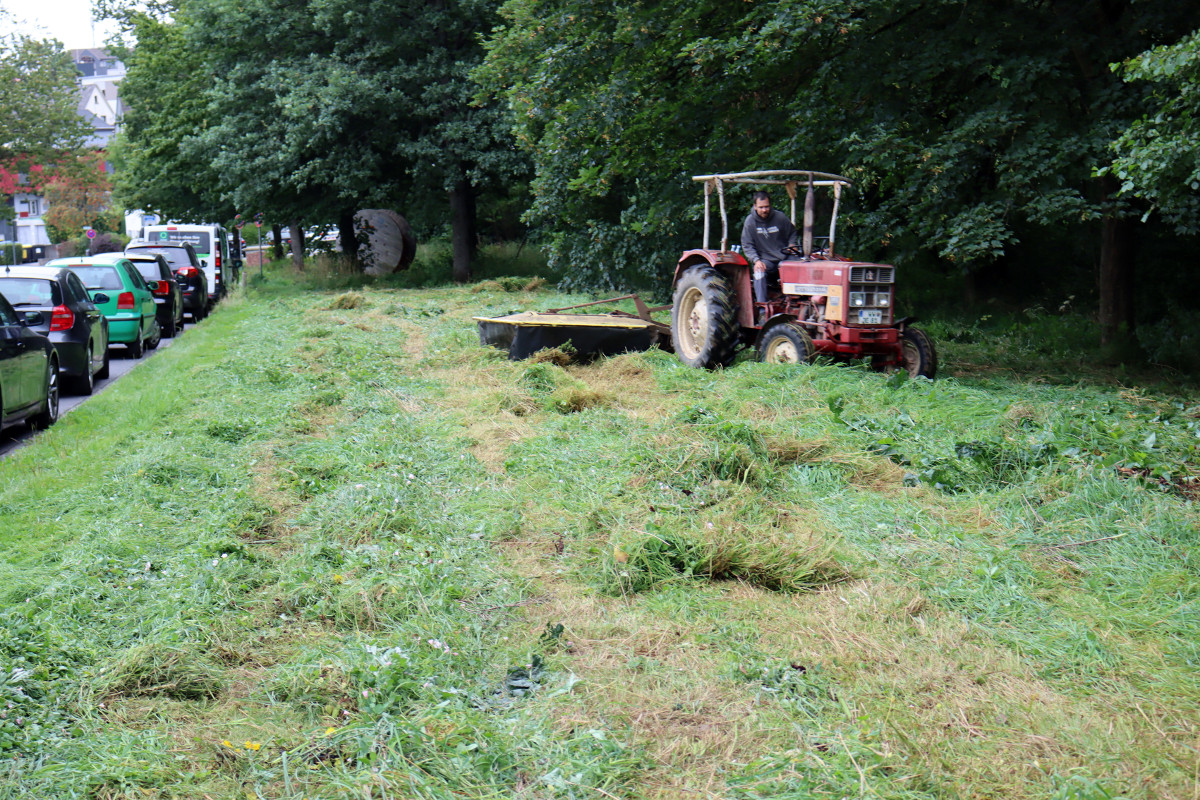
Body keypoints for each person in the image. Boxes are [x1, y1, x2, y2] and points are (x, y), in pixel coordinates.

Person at [740, 191, 798, 303]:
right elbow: (747, 245)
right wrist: (756, 260)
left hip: (785, 257)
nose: (764, 210)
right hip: (766, 260)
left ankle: (798, 302)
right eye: (761, 207)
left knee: (801, 265)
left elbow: (792, 232)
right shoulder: (750, 222)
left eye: (766, 206)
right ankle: (762, 307)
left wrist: (792, 245)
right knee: (759, 271)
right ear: (755, 206)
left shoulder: (780, 217)